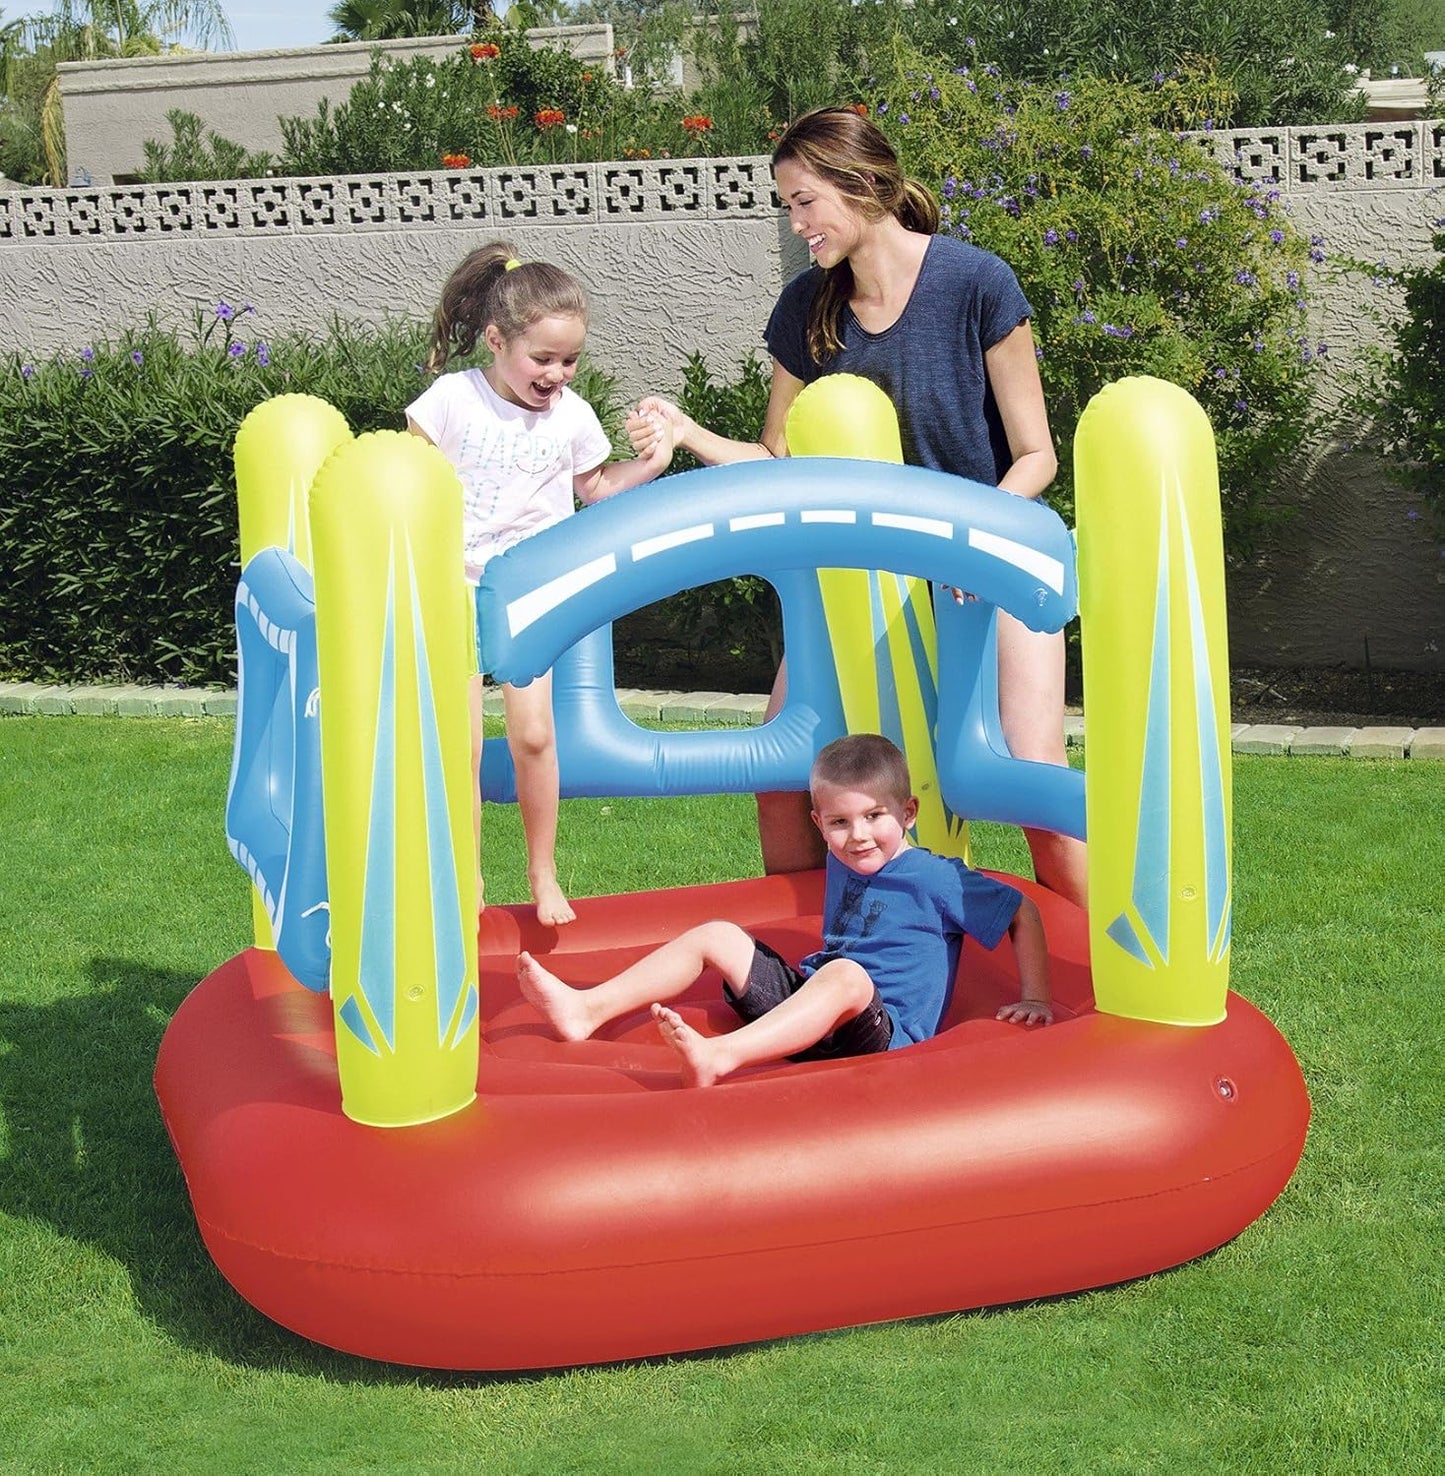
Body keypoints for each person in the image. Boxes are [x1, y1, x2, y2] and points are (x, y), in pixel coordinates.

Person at [627, 106, 1087, 907]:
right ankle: (820, 946)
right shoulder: (807, 307)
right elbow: (779, 459)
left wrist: (971, 549)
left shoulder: (976, 282)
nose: (795, 222)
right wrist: (687, 430)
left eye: (804, 200)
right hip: (857, 582)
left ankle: (1106, 961)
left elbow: (1036, 456)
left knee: (1028, 768)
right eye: (787, 205)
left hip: (983, 567)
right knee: (783, 775)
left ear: (861, 183)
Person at [518, 733, 1051, 1088]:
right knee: (718, 934)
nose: (858, 836)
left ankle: (722, 1055)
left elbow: (1021, 911)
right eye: (839, 823)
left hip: (881, 1034)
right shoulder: (844, 855)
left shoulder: (936, 878)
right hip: (809, 1009)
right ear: (819, 824)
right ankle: (587, 1009)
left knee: (846, 973)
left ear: (908, 813)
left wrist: (1034, 997)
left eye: (874, 816)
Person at [409, 242, 674, 926]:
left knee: (532, 737)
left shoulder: (573, 417)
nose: (556, 374)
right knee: (460, 744)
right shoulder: (451, 400)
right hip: (451, 590)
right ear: (495, 340)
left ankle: (542, 871)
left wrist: (654, 460)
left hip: (528, 591)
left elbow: (595, 489)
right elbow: (406, 477)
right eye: (542, 359)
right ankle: (464, 877)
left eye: (569, 360)